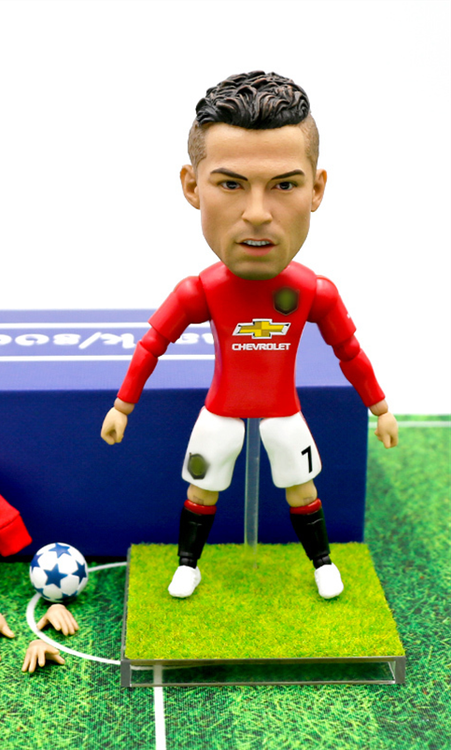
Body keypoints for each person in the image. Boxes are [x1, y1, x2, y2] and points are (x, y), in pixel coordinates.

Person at [101, 71, 398, 600]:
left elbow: (348, 352)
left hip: (283, 411)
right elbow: (152, 345)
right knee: (203, 485)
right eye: (231, 184)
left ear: (316, 189)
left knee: (301, 485)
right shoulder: (200, 291)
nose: (257, 214)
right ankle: (188, 565)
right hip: (222, 410)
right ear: (192, 187)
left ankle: (323, 563)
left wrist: (380, 408)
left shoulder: (314, 292)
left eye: (284, 185)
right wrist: (122, 406)